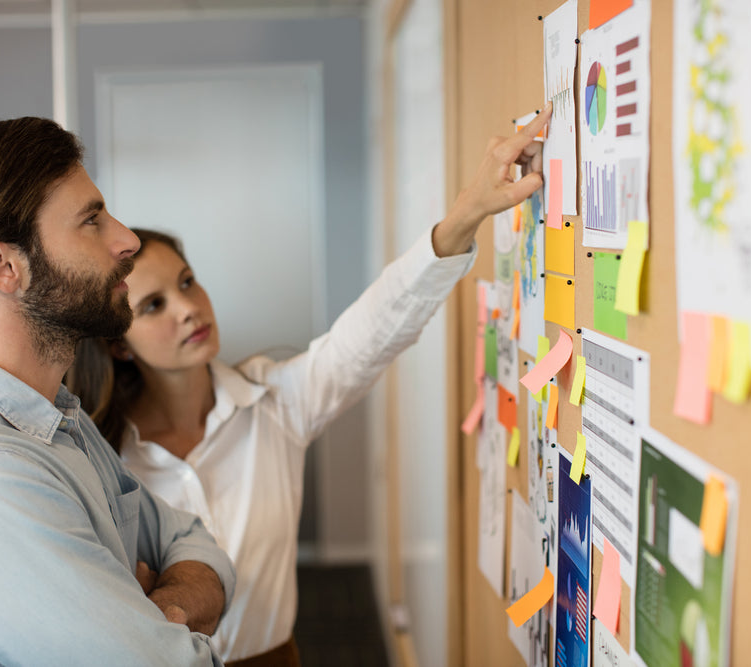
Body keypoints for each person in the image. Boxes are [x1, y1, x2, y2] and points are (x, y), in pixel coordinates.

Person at [67, 104, 553, 665]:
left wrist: (465, 215)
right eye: (154, 305)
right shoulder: (101, 456)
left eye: (188, 282)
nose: (188, 308)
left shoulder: (274, 404)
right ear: (118, 344)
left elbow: (372, 332)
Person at [0, 116, 237, 666]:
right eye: (92, 222)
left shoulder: (55, 417)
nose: (128, 240)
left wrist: (161, 607)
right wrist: (162, 622)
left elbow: (194, 542)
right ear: (3, 266)